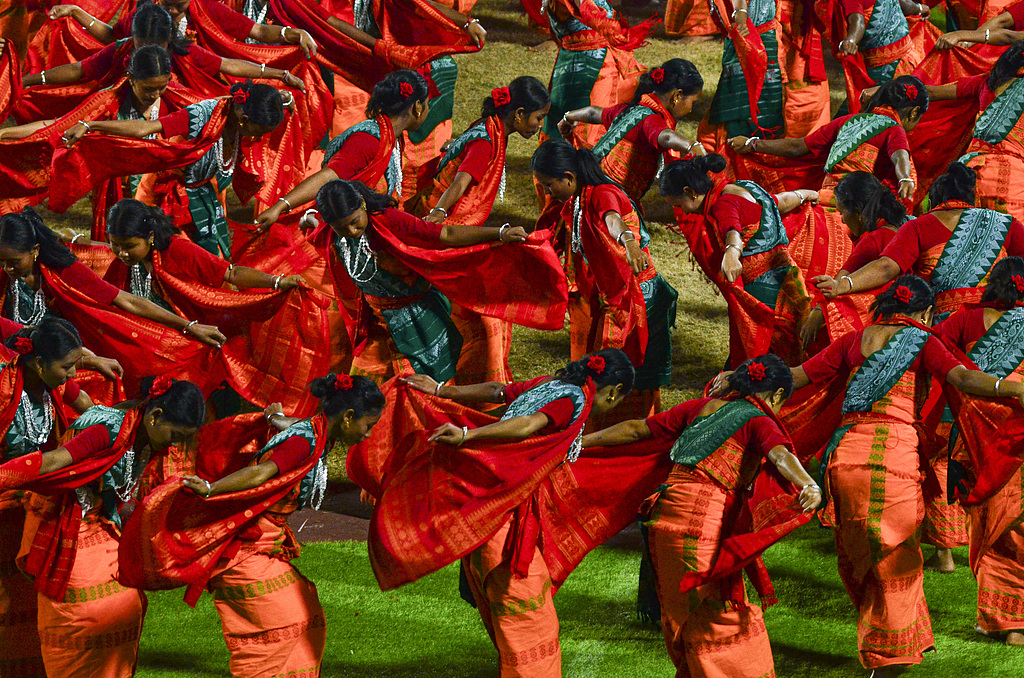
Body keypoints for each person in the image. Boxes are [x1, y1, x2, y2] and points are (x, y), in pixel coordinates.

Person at [785, 275, 1024, 674]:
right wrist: (1010, 389)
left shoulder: (853, 341)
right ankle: (889, 654)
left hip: (844, 459)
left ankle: (888, 646)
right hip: (894, 458)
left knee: (859, 558)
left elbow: (796, 377)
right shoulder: (924, 341)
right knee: (897, 558)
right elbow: (964, 379)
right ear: (924, 312)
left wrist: (743, 379)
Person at [389, 349, 635, 677]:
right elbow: (529, 425)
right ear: (614, 391)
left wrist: (441, 390)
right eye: (617, 401)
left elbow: (498, 390)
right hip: (506, 525)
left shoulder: (551, 384)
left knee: (512, 630)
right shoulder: (573, 399)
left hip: (487, 515)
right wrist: (466, 435)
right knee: (532, 630)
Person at [581, 354, 822, 678]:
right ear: (776, 395)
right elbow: (780, 456)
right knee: (723, 619)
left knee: (686, 614)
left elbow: (637, 429)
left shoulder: (701, 408)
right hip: (700, 522)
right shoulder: (758, 419)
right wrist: (809, 484)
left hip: (662, 519)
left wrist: (579, 442)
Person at [157, 374, 384, 676]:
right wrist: (211, 489)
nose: (368, 435)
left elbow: (287, 425)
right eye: (368, 426)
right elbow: (262, 472)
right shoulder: (304, 442)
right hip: (244, 548)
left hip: (262, 543)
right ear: (348, 417)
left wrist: (274, 416)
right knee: (287, 624)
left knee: (306, 618)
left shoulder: (312, 430)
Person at [0, 376, 206, 678]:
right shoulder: (107, 432)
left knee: (125, 604)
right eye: (175, 434)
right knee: (84, 613)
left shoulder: (143, 431)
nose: (175, 444)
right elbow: (53, 462)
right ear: (157, 415)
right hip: (66, 521)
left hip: (102, 522)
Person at [312, 179, 568, 384]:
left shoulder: (390, 221)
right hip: (376, 320)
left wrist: (499, 232)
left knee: (424, 383)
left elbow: (444, 234)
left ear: (362, 205)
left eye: (355, 223)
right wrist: (309, 220)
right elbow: (319, 234)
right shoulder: (332, 233)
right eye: (341, 228)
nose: (352, 232)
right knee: (378, 379)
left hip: (418, 316)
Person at [415, 76, 550, 385]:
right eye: (537, 118)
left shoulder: (488, 127)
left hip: (455, 231)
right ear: (518, 114)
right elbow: (461, 181)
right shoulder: (486, 141)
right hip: (449, 236)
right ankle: (476, 384)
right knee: (484, 316)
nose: (539, 125)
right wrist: (437, 214)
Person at [532, 139, 677, 425]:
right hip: (613, 294)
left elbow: (613, 220)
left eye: (549, 185)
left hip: (635, 298)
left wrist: (629, 242)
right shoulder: (578, 197)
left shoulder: (602, 194)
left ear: (569, 177)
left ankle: (629, 432)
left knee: (624, 370)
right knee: (601, 365)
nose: (547, 192)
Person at [61, 80, 286, 257]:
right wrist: (90, 124)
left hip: (200, 193)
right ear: (244, 119)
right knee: (159, 258)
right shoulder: (202, 116)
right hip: (163, 195)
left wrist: (288, 95)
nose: (257, 138)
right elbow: (145, 129)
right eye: (259, 131)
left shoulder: (238, 113)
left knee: (209, 258)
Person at [934, 256, 1024, 646]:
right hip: (1018, 436)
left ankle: (1005, 621)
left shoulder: (966, 321)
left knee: (992, 526)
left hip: (978, 439)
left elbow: (933, 355)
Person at [0, 318, 95, 678]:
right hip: (4, 504)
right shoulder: (4, 384)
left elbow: (87, 404)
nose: (71, 374)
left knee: (28, 596)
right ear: (39, 362)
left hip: (27, 505)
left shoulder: (51, 383)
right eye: (67, 366)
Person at [659, 154, 814, 366]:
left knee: (765, 360)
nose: (681, 210)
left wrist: (731, 254)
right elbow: (782, 201)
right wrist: (807, 194)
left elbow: (732, 230)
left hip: (765, 296)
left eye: (678, 204)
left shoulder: (723, 204)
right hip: (791, 283)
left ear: (690, 192)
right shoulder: (744, 186)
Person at [817, 161, 1024, 319]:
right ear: (971, 200)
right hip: (1001, 320)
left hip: (944, 329)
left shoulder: (918, 226)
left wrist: (843, 285)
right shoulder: (1007, 223)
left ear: (933, 202)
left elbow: (886, 267)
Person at [0, 207, 225, 346]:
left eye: (14, 262)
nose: (7, 268)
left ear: (35, 250)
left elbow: (125, 300)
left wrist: (188, 325)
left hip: (67, 355)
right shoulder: (3, 275)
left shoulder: (64, 272)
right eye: (1, 262)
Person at [255, 69, 430, 229]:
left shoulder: (392, 136)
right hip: (344, 228)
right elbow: (327, 177)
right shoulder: (369, 140)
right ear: (417, 107)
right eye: (427, 104)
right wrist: (280, 207)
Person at [729, 75, 927, 204]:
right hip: (852, 206)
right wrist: (905, 178)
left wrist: (751, 144)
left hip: (823, 197)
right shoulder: (894, 128)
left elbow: (797, 146)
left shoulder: (847, 120)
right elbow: (900, 156)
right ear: (913, 113)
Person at [559, 58, 706, 202]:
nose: (691, 109)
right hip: (612, 200)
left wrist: (568, 118)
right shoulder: (650, 120)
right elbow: (666, 137)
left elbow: (594, 113)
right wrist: (692, 145)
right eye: (693, 102)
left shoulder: (631, 110)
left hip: (595, 191)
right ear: (677, 96)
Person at [914, 41, 1024, 221]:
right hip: (1012, 179)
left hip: (966, 174)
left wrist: (886, 91)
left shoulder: (986, 82)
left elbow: (931, 93)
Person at [800, 171, 906, 348]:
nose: (841, 218)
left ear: (858, 212)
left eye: (842, 212)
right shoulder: (899, 231)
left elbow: (839, 281)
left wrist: (818, 311)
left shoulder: (873, 240)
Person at [541, 0, 653, 148]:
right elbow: (592, 16)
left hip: (577, 59)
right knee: (589, 117)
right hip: (591, 64)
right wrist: (621, 34)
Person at [50, 0, 318, 56]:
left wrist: (292, 33)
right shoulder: (147, 13)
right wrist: (76, 12)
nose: (174, 12)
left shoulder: (206, 9)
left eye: (180, 5)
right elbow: (112, 36)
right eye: (169, 5)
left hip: (198, 92)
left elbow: (257, 32)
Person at [703, 0, 785, 142]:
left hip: (764, 40)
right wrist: (741, 20)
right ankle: (739, 148)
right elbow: (740, 6)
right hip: (748, 39)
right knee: (742, 100)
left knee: (768, 97)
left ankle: (762, 146)